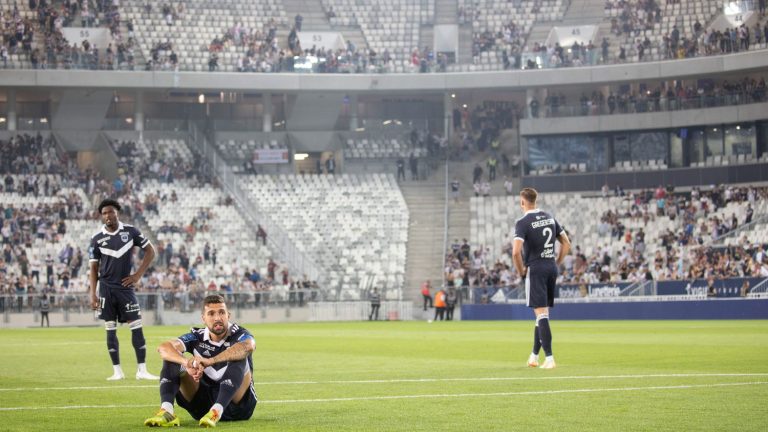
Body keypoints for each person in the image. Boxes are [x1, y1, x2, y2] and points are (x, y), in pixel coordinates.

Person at [143, 294, 257, 427]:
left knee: (239, 355)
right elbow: (163, 348)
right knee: (173, 356)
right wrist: (186, 363)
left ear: (228, 316)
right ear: (203, 318)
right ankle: (167, 411)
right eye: (211, 314)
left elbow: (248, 346)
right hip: (202, 408)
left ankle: (217, 411)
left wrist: (211, 360)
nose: (217, 318)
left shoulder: (239, 334)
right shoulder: (196, 336)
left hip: (237, 408)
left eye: (221, 312)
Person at [88, 198, 159, 380]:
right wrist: (92, 294)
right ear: (101, 217)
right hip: (106, 290)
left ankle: (142, 370)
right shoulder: (96, 239)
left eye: (111, 212)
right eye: (104, 213)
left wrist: (137, 275)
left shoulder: (131, 231)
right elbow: (94, 269)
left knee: (137, 327)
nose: (108, 216)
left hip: (126, 289)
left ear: (117, 213)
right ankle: (117, 371)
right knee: (110, 328)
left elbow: (150, 251)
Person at [512, 188, 571, 369]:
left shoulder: (522, 222)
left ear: (523, 202)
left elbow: (515, 252)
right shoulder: (549, 217)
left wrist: (521, 271)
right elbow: (566, 243)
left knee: (541, 314)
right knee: (542, 314)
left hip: (535, 268)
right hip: (550, 266)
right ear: (535, 200)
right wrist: (557, 262)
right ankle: (534, 356)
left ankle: (550, 358)